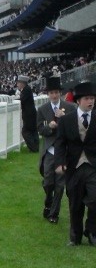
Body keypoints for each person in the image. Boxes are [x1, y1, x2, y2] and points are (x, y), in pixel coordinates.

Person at [53, 80, 96, 246]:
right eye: (86, 98)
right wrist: (59, 163)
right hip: (73, 166)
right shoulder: (66, 120)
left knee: (94, 198)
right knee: (75, 203)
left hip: (93, 165)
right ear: (78, 101)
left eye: (92, 98)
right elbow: (60, 143)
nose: (90, 101)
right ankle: (75, 236)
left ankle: (91, 230)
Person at [36, 75, 75, 223]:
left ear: (60, 93)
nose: (54, 95)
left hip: (63, 152)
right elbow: (40, 129)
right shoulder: (42, 109)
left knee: (60, 185)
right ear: (48, 94)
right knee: (48, 183)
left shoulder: (71, 108)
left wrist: (64, 118)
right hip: (50, 151)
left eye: (56, 92)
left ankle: (54, 214)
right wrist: (50, 127)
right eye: (51, 93)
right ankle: (48, 202)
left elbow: (75, 128)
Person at [17, 75, 39, 152]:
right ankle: (35, 147)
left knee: (25, 131)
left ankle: (33, 148)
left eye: (18, 83)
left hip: (28, 114)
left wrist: (15, 100)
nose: (17, 85)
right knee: (33, 131)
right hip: (31, 113)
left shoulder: (26, 90)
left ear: (22, 83)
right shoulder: (27, 89)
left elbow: (22, 100)